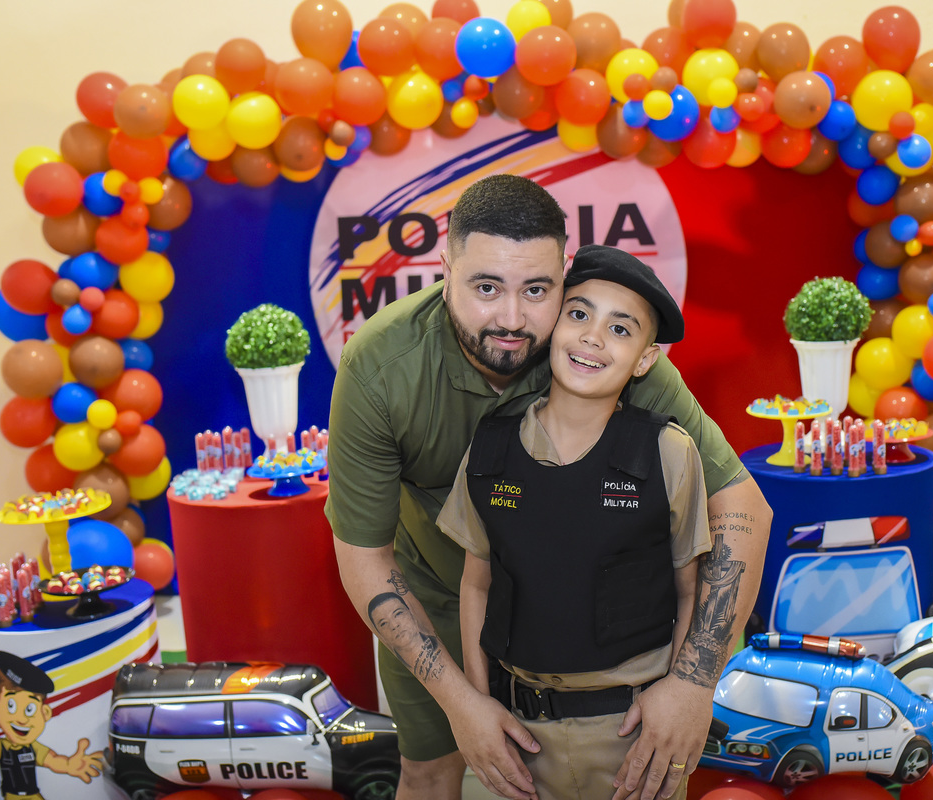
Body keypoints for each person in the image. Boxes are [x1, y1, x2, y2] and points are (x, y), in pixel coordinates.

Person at [326, 174, 772, 800]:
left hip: (600, 613)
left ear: (563, 279)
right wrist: (462, 701)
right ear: (445, 272)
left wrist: (694, 682)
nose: (512, 319)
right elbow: (363, 556)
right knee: (428, 770)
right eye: (486, 287)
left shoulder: (596, 347)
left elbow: (741, 504)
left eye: (536, 290)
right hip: (441, 598)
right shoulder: (380, 367)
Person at [437, 244, 723, 800]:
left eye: (620, 329)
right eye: (579, 314)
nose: (593, 337)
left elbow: (691, 589)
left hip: (632, 734)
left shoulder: (666, 451)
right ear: (552, 327)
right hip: (522, 734)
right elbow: (476, 583)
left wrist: (682, 692)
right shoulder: (491, 447)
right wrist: (478, 702)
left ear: (644, 360)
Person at [0, 650, 104, 799]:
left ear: (45, 713)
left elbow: (52, 760)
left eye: (30, 709)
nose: (22, 719)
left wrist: (69, 765)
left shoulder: (33, 748)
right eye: (11, 706)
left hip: (34, 795)